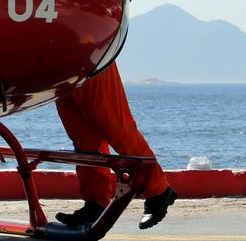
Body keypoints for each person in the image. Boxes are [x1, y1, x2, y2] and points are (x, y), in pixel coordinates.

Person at [54, 61, 178, 229]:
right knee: (83, 136)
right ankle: (95, 202)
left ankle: (158, 191)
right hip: (57, 66)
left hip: (89, 53)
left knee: (115, 126)